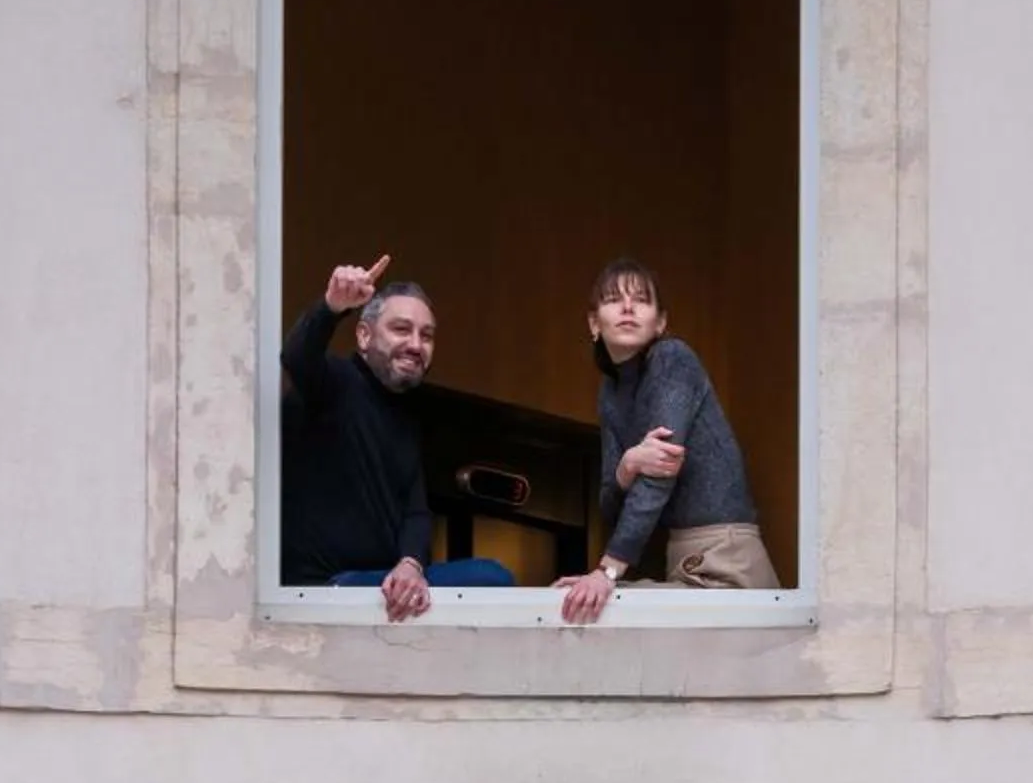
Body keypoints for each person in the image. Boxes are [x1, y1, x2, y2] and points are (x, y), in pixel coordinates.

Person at [278, 256, 512, 619]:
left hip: (383, 591)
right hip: (324, 591)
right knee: (490, 577)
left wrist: (410, 565)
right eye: (402, 330)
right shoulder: (332, 383)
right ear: (364, 336)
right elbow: (296, 357)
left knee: (493, 578)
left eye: (427, 335)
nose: (416, 345)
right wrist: (332, 307)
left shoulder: (407, 416)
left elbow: (415, 513)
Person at [558, 258, 780, 626]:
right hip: (684, 562)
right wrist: (627, 465)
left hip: (727, 561)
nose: (628, 307)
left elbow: (661, 473)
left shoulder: (672, 360)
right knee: (585, 607)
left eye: (641, 300)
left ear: (660, 322)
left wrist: (607, 572)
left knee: (602, 613)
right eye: (614, 299)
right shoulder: (610, 393)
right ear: (594, 323)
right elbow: (609, 504)